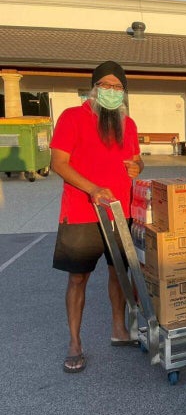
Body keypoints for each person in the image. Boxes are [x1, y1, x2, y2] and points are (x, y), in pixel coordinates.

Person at [50, 60, 144, 374]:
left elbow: (135, 158)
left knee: (119, 273)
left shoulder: (127, 124)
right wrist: (93, 189)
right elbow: (59, 163)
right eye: (106, 85)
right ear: (94, 88)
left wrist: (137, 167)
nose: (112, 91)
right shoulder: (72, 117)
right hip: (81, 213)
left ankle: (119, 329)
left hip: (120, 211)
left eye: (118, 86)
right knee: (78, 278)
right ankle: (74, 342)